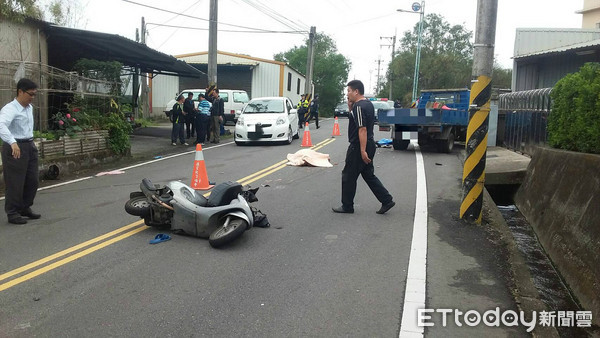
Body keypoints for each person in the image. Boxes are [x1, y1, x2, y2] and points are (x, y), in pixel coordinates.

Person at [332, 80, 395, 214]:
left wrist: (362, 150)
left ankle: (347, 206)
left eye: (349, 91)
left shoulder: (359, 107)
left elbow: (362, 129)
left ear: (356, 91)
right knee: (368, 174)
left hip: (359, 146)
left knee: (348, 176)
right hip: (369, 143)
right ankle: (387, 200)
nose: (347, 94)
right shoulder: (367, 104)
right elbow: (357, 121)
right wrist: (350, 107)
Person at [0, 78, 41, 224]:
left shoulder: (28, 108)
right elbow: (1, 125)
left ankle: (25, 207)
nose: (32, 98)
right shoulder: (10, 109)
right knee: (15, 182)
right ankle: (12, 212)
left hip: (29, 145)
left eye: (34, 95)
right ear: (20, 92)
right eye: (30, 94)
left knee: (32, 180)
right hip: (15, 147)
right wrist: (12, 142)